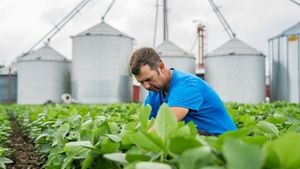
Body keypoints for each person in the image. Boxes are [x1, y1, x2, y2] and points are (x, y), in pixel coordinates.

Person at [129, 47, 237, 136]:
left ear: (161, 67)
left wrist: (141, 146)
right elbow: (145, 125)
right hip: (201, 140)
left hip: (223, 141)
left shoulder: (187, 85)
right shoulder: (154, 93)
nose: (146, 86)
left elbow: (168, 122)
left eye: (149, 79)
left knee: (172, 134)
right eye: (141, 82)